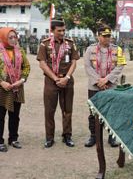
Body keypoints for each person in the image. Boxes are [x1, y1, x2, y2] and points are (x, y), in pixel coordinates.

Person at [37, 18, 80, 148]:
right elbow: (42, 63)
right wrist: (55, 79)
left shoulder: (70, 43)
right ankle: (49, 138)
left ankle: (67, 136)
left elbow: (74, 62)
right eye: (59, 30)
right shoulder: (45, 44)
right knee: (49, 111)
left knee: (67, 110)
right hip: (51, 82)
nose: (62, 33)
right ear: (52, 30)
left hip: (67, 81)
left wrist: (66, 77)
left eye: (63, 30)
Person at [84, 25, 126, 148]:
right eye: (105, 36)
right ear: (98, 36)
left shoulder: (117, 49)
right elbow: (87, 67)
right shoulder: (89, 49)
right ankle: (94, 136)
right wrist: (98, 81)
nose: (107, 38)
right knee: (93, 112)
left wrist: (106, 80)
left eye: (109, 36)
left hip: (111, 86)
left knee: (111, 112)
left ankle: (112, 137)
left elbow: (120, 66)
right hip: (94, 86)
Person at [0, 27, 30, 152]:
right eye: (10, 37)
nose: (13, 40)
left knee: (15, 115)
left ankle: (13, 138)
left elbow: (26, 66)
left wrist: (22, 80)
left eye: (15, 37)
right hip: (2, 89)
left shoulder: (20, 51)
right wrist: (1, 82)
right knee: (0, 115)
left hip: (17, 88)